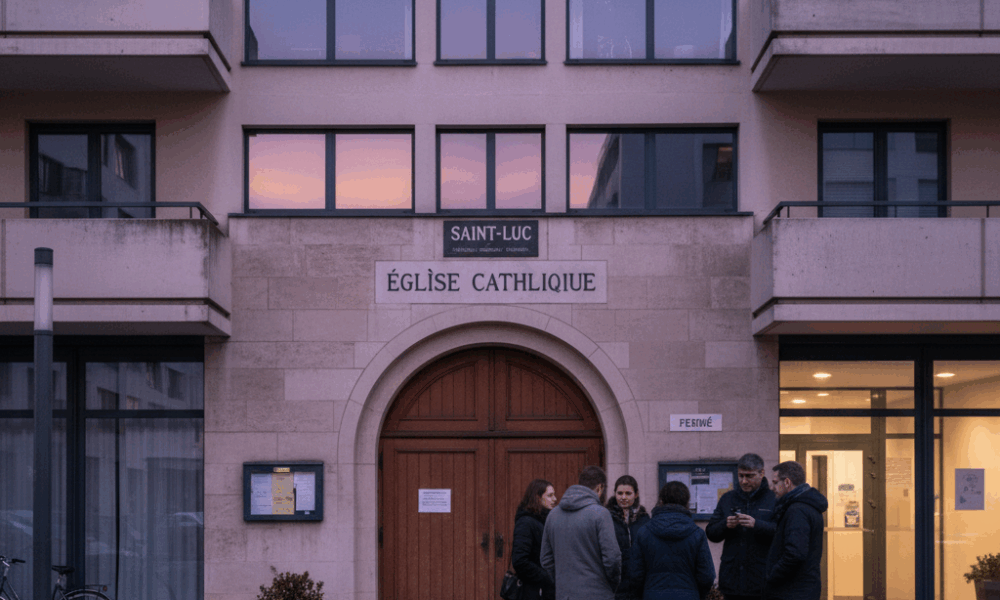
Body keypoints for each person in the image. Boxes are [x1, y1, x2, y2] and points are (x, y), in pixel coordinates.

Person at [540, 465, 621, 600]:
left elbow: (546, 559)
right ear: (600, 488)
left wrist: (563, 581)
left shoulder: (553, 515)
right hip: (598, 593)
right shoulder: (601, 514)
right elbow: (612, 558)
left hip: (565, 594)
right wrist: (610, 585)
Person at [629, 481, 715, 600]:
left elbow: (635, 575)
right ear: (686, 503)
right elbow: (707, 576)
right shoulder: (697, 533)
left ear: (661, 501)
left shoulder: (644, 532)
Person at [706, 453, 777, 600]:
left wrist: (757, 525)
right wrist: (725, 524)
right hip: (731, 581)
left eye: (749, 476)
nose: (744, 481)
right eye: (741, 476)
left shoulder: (773, 499)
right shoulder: (728, 498)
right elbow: (711, 532)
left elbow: (781, 532)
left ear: (761, 473)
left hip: (762, 581)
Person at [763, 461, 828, 600]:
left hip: (792, 591)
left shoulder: (797, 510)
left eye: (775, 482)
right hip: (802, 588)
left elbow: (795, 554)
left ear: (787, 482)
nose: (771, 487)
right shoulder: (807, 506)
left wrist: (773, 574)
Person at [511, 479, 559, 600]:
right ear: (537, 498)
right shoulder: (526, 522)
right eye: (550, 495)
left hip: (546, 590)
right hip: (533, 592)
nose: (555, 499)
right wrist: (547, 577)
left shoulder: (546, 520)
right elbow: (520, 561)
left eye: (554, 495)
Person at [605, 475, 650, 600]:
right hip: (614, 586)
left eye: (628, 493)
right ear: (614, 494)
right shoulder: (606, 518)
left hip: (638, 587)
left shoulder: (644, 519)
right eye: (620, 493)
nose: (623, 497)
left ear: (636, 494)